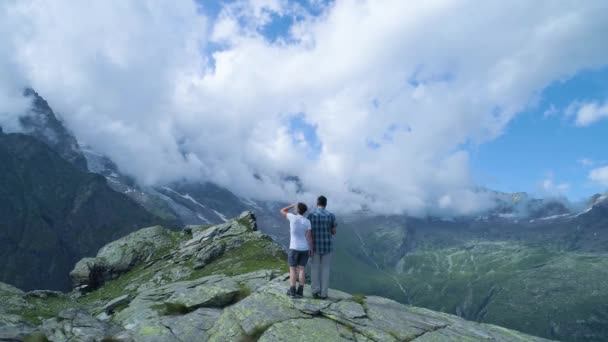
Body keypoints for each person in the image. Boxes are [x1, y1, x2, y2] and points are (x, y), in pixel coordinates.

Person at [307, 195, 337, 300]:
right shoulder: (331, 215)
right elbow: (334, 232)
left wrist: (310, 246)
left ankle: (315, 291)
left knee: (314, 268)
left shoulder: (311, 215)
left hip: (315, 246)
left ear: (317, 203)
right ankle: (324, 293)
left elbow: (309, 232)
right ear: (326, 204)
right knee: (325, 269)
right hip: (327, 246)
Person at [280, 202, 312, 297]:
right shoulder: (307, 221)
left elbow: (282, 210)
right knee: (302, 269)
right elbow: (309, 236)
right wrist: (310, 247)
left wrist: (291, 206)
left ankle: (292, 290)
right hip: (304, 248)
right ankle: (300, 291)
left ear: (297, 209)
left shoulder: (292, 217)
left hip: (294, 247)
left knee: (293, 269)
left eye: (296, 208)